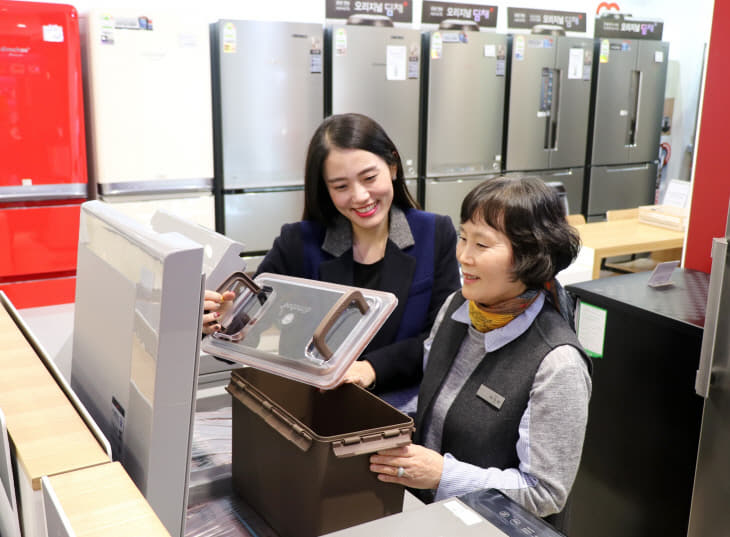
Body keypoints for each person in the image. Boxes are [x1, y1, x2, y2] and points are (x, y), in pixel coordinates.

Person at [365, 175, 592, 529]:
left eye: (482, 245)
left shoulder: (557, 363)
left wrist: (442, 474)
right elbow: (437, 397)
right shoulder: (458, 307)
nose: (463, 256)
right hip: (436, 517)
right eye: (463, 237)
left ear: (530, 256)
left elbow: (546, 493)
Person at [204, 113, 461, 407]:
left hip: (401, 410)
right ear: (325, 189)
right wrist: (217, 320)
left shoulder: (434, 233)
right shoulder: (298, 242)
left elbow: (441, 338)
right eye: (341, 187)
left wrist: (371, 369)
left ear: (392, 166)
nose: (360, 196)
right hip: (314, 410)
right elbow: (240, 330)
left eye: (369, 178)